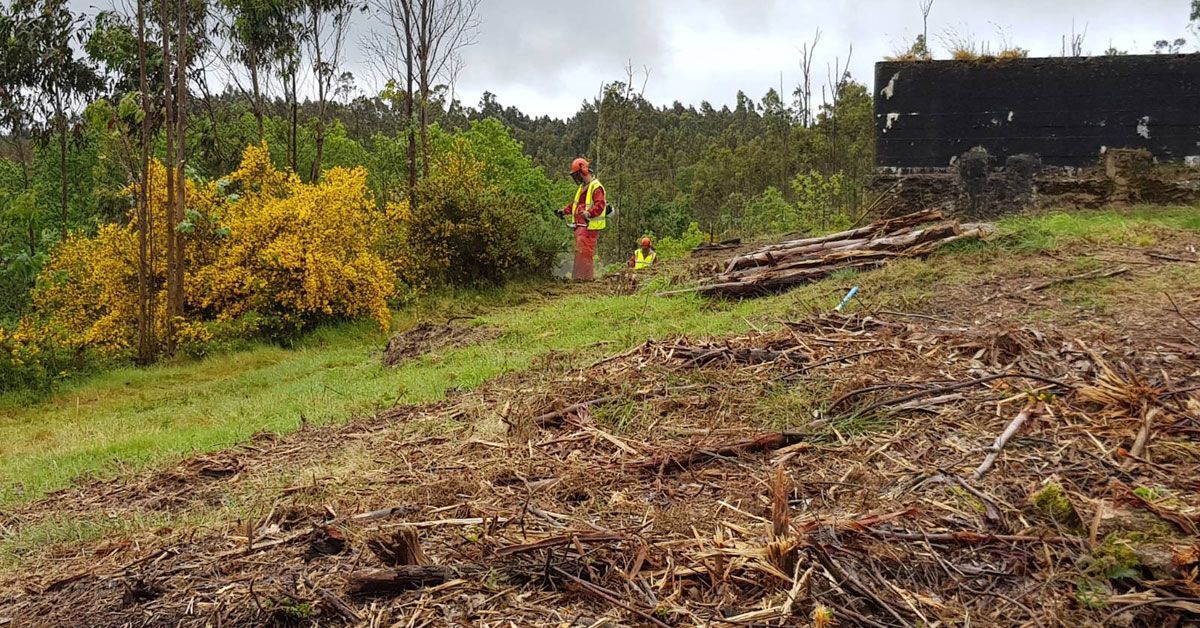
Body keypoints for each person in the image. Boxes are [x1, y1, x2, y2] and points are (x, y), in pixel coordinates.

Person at [557, 157, 606, 281]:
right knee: (580, 252)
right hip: (581, 227)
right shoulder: (583, 187)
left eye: (576, 175)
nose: (576, 178)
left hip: (589, 227)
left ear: (583, 171)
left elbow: (600, 205)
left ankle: (584, 279)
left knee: (584, 253)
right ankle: (580, 278)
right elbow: (576, 205)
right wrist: (564, 211)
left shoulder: (596, 187)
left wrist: (589, 213)